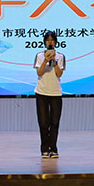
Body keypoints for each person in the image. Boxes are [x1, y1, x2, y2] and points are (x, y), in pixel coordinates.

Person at [34, 30, 65, 159]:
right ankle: (44, 149)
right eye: (48, 40)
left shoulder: (60, 56)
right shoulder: (39, 55)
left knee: (55, 123)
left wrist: (55, 61)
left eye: (52, 40)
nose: (50, 42)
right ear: (44, 42)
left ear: (56, 42)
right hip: (41, 92)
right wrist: (45, 60)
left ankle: (53, 148)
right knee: (43, 123)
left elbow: (59, 74)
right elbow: (39, 73)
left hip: (56, 93)